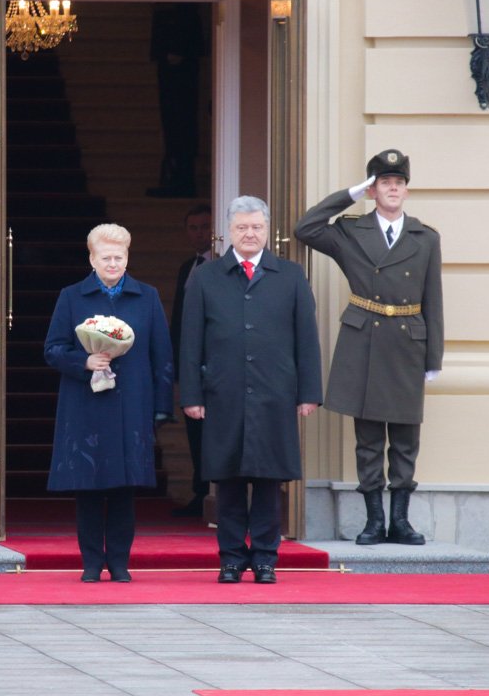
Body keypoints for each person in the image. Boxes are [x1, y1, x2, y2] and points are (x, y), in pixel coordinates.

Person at [294, 149, 443, 546]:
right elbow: (306, 228)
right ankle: (375, 521)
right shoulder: (350, 232)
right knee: (369, 439)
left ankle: (401, 522)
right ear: (373, 190)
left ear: (406, 190)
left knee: (406, 439)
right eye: (383, 183)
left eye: (398, 183)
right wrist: (350, 194)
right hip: (366, 340)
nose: (392, 188)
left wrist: (433, 357)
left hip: (408, 342)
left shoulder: (425, 237)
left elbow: (434, 299)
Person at [180, 196, 322, 584]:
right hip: (222, 393)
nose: (249, 234)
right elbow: (190, 341)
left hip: (274, 393)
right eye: (242, 227)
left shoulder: (290, 275)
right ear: (228, 231)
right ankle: (230, 559)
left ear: (267, 230)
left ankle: (264, 559)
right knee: (226, 480)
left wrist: (308, 392)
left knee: (268, 480)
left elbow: (306, 338)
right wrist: (191, 395)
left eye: (257, 227)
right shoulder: (206, 277)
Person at [44, 223, 174, 582]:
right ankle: (90, 562)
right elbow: (52, 349)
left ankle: (118, 562)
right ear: (92, 259)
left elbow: (162, 355)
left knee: (123, 487)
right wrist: (84, 361)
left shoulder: (146, 296)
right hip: (84, 404)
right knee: (87, 486)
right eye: (106, 258)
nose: (113, 263)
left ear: (127, 257)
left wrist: (161, 407)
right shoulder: (72, 296)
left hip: (131, 403)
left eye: (119, 257)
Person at [170, 203, 214, 517]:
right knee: (195, 430)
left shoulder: (221, 267)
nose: (200, 234)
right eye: (193, 228)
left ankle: (215, 494)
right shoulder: (187, 266)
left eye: (205, 227)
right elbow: (179, 319)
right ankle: (201, 492)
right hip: (190, 363)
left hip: (215, 361)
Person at [147, 2, 204, 198]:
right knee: (172, 121)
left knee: (181, 121)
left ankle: (182, 176)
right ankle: (177, 174)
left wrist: (177, 47)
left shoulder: (184, 16)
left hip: (181, 67)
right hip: (174, 60)